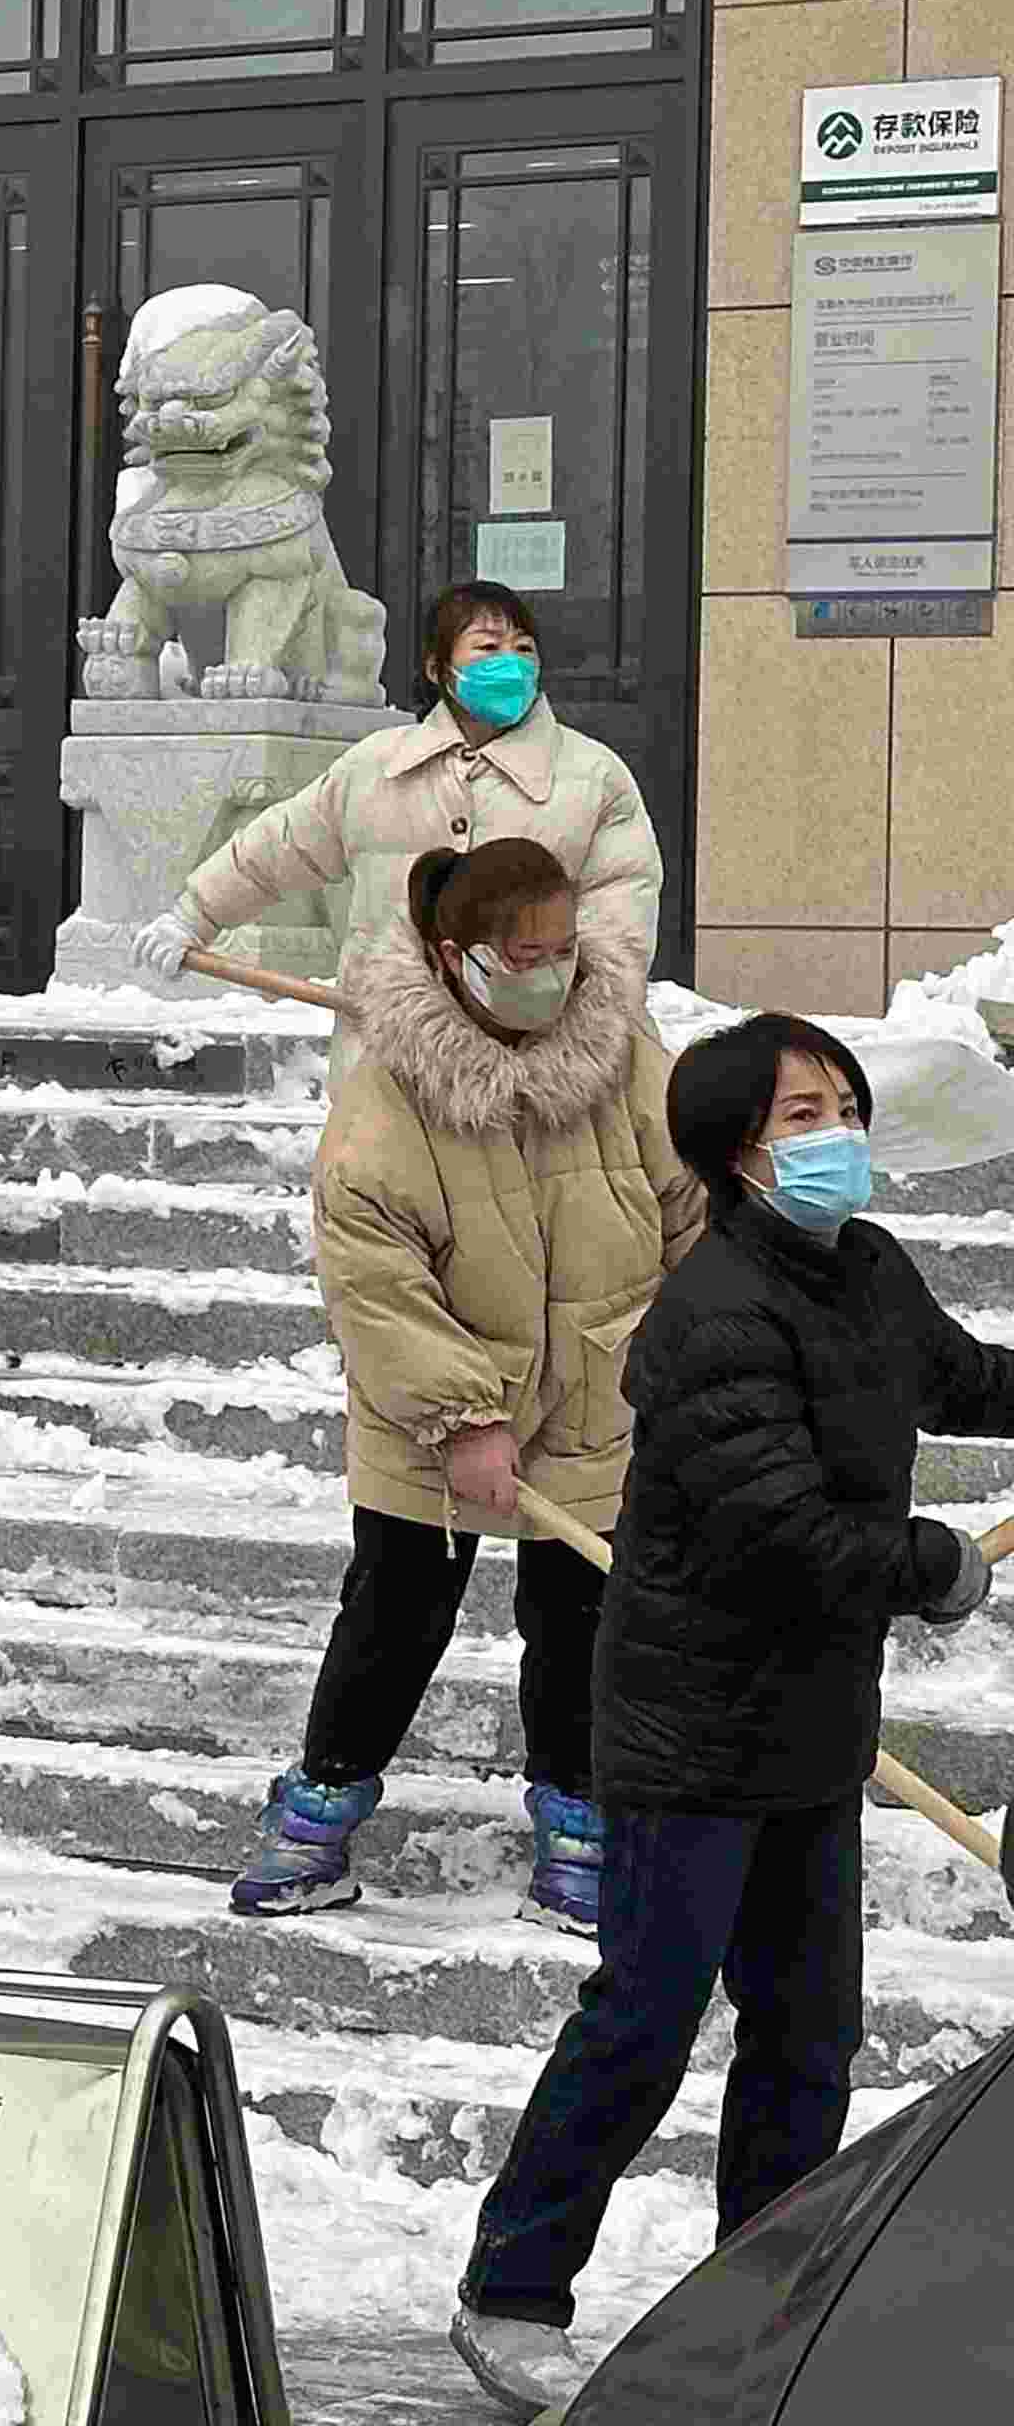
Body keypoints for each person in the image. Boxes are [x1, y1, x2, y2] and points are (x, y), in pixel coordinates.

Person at [449, 1012, 1014, 2416]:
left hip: (813, 1725)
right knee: (645, 2018)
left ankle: (767, 2305)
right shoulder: (709, 1314)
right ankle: (512, 2289)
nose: (837, 1138)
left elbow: (964, 1381)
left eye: (845, 1108)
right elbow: (783, 1531)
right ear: (735, 1150)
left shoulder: (867, 1270)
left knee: (809, 2037)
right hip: (691, 1728)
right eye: (801, 1117)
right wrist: (935, 1565)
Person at [230, 841, 698, 1935]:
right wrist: (462, 1417)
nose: (552, 975)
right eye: (523, 957)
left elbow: (689, 1210)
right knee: (394, 1615)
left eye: (565, 950)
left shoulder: (626, 1055)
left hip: (600, 1389)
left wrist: (694, 1349)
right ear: (455, 956)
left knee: (582, 1624)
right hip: (425, 1416)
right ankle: (318, 1815)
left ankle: (579, 1828)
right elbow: (374, 1282)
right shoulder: (387, 1094)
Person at [137, 579, 663, 1008]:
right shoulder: (375, 768)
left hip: (539, 1063)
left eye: (524, 649)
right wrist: (193, 916)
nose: (512, 663)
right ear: (439, 669)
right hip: (385, 1056)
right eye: (488, 648)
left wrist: (559, 1006)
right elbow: (278, 848)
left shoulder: (593, 776)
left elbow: (622, 915)